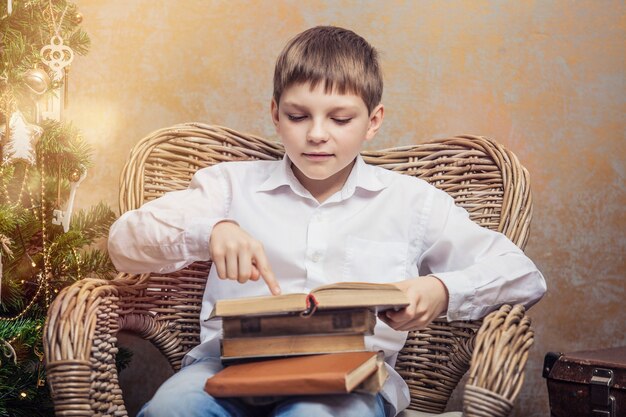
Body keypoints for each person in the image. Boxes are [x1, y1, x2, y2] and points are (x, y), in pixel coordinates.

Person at [108, 25, 546, 417]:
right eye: (299, 117)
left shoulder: (413, 203)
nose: (317, 134)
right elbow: (123, 243)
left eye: (340, 118)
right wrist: (212, 231)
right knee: (171, 407)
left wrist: (442, 289)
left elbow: (523, 275)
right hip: (225, 367)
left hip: (348, 379)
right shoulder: (228, 186)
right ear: (275, 114)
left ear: (373, 122)